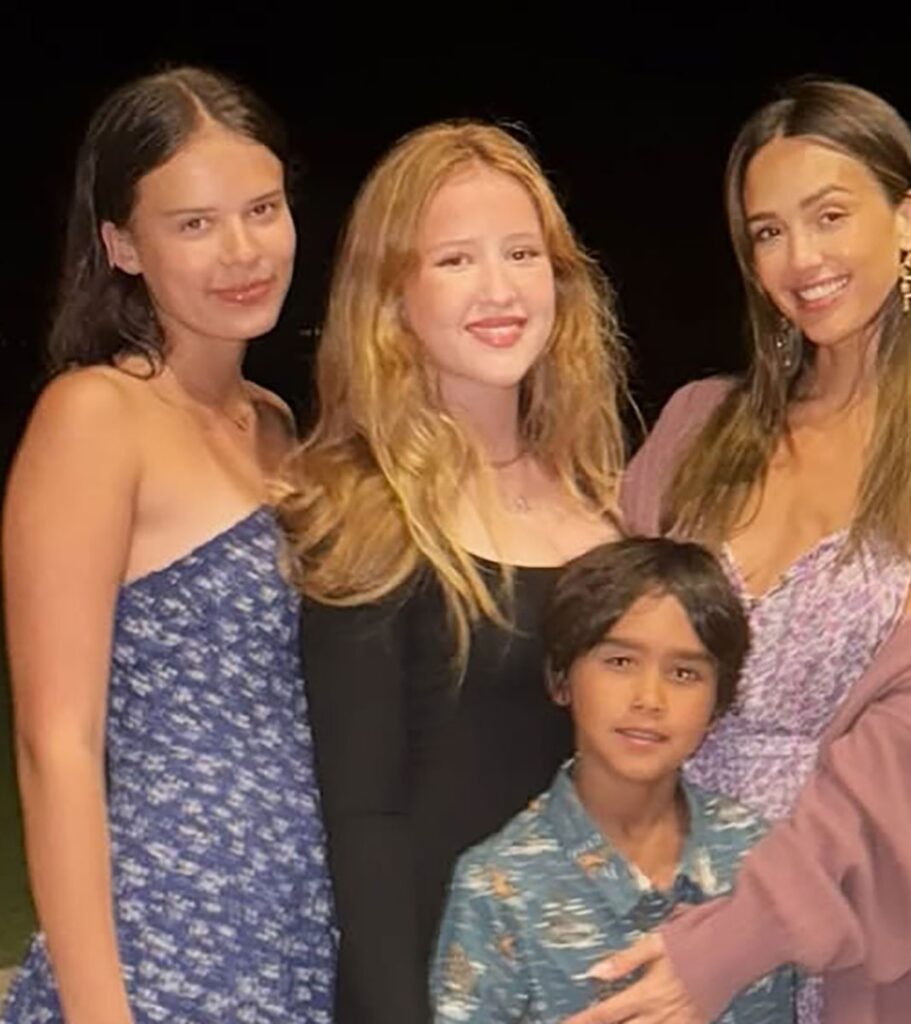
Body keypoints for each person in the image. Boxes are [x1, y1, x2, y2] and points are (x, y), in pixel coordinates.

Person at [569, 78, 911, 1024]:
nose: (800, 258)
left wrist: (735, 941)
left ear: (908, 220)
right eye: (768, 232)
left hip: (859, 931)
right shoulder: (697, 425)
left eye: (829, 216)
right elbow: (596, 646)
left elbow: (902, 737)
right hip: (662, 904)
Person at [2, 67, 335, 1024]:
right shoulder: (95, 417)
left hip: (294, 945)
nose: (243, 251)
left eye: (262, 209)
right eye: (194, 224)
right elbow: (56, 744)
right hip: (158, 949)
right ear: (122, 245)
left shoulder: (278, 426)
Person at [277, 120, 627, 1022]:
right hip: (438, 991)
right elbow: (366, 824)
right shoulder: (366, 517)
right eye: (456, 260)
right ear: (392, 298)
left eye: (522, 253)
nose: (499, 288)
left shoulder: (602, 508)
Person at [431, 536, 796, 1023]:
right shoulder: (499, 886)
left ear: (719, 702)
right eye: (620, 662)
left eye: (684, 673)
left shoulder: (758, 857)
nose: (650, 698)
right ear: (561, 678)